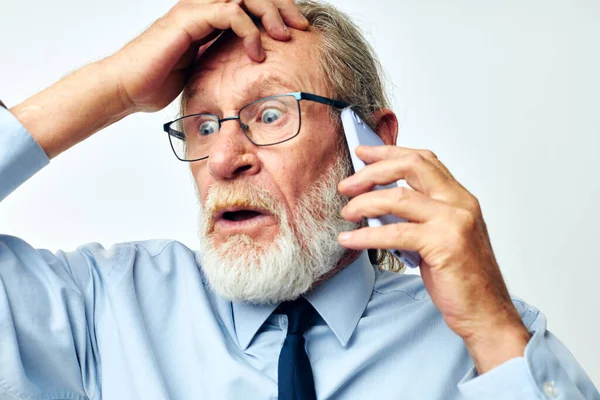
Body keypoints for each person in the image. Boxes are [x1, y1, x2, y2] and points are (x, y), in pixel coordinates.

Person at [0, 0, 598, 399]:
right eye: (203, 126)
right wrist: (116, 85)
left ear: (371, 141)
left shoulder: (487, 345)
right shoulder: (101, 308)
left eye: (269, 114)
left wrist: (492, 327)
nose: (224, 158)